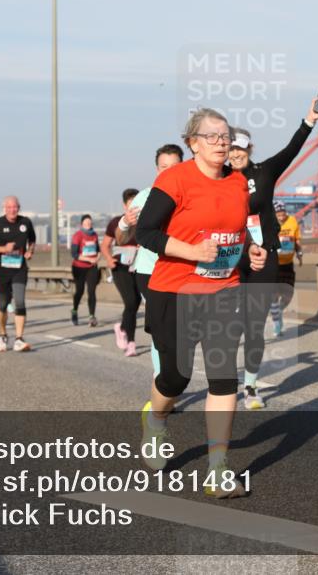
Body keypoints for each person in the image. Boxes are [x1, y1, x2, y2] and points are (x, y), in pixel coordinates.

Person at [136, 107, 267, 498]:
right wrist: (192, 252)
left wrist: (250, 253)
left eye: (226, 137)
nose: (221, 143)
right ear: (192, 143)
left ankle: (218, 469)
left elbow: (235, 234)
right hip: (173, 290)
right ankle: (156, 418)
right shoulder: (174, 179)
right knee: (176, 377)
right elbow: (146, 232)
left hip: (222, 291)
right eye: (211, 136)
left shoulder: (238, 184)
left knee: (224, 378)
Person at [229, 97, 318, 410]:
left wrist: (309, 119)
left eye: (240, 150)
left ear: (249, 150)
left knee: (254, 325)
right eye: (230, 150)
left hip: (265, 256)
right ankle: (222, 382)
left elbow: (292, 148)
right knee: (230, 325)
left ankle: (250, 386)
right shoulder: (217, 179)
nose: (235, 155)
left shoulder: (265, 172)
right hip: (230, 258)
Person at [115, 144, 185, 375]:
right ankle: (160, 379)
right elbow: (121, 236)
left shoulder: (192, 195)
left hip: (182, 268)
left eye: (174, 166)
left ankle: (171, 373)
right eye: (164, 167)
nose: (168, 171)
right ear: (157, 170)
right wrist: (125, 223)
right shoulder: (145, 197)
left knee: (180, 329)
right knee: (160, 327)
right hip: (150, 270)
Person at [0, 195, 37, 352]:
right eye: (9, 207)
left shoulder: (25, 222)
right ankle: (3, 334)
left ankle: (19, 339)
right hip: (2, 270)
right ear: (4, 208)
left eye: (15, 207)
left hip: (19, 268)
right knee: (2, 304)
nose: (12, 210)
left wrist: (30, 251)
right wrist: (3, 249)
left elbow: (32, 240)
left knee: (20, 301)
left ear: (18, 208)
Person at [103, 189, 142, 356]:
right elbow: (105, 244)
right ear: (125, 205)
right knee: (131, 301)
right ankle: (128, 337)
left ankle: (127, 335)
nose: (134, 207)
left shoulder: (145, 222)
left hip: (138, 265)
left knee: (136, 302)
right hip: (120, 266)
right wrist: (108, 259)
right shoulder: (116, 222)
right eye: (131, 204)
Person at [269, 200, 302, 337]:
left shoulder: (293, 221)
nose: (281, 215)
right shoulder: (270, 224)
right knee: (274, 296)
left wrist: (300, 254)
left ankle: (278, 311)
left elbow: (297, 240)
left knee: (288, 294)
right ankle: (276, 322)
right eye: (278, 213)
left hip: (288, 264)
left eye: (282, 212)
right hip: (274, 264)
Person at [70, 215, 101, 327]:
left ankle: (91, 316)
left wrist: (97, 258)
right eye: (86, 222)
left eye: (90, 222)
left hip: (92, 267)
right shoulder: (77, 236)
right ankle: (74, 310)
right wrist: (88, 259)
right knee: (80, 291)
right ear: (82, 224)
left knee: (92, 291)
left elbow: (98, 250)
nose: (88, 224)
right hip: (79, 267)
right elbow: (74, 254)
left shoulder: (94, 235)